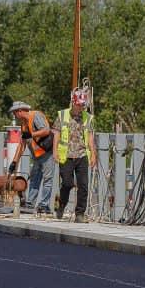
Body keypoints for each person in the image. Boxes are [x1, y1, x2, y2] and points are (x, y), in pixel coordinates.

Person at [54, 88, 98, 222]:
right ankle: (61, 205)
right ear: (73, 102)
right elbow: (56, 134)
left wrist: (93, 154)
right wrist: (55, 151)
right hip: (66, 155)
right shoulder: (62, 115)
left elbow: (90, 137)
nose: (81, 107)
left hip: (81, 155)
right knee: (67, 183)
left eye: (83, 105)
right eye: (79, 104)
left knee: (83, 185)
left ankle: (80, 214)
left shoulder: (88, 118)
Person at [8, 102, 54, 215]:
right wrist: (14, 162)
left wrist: (31, 135)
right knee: (34, 179)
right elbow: (22, 144)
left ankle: (44, 205)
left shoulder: (35, 116)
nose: (14, 116)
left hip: (46, 153)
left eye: (15, 113)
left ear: (20, 111)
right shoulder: (23, 124)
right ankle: (30, 203)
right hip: (37, 155)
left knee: (47, 179)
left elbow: (46, 130)